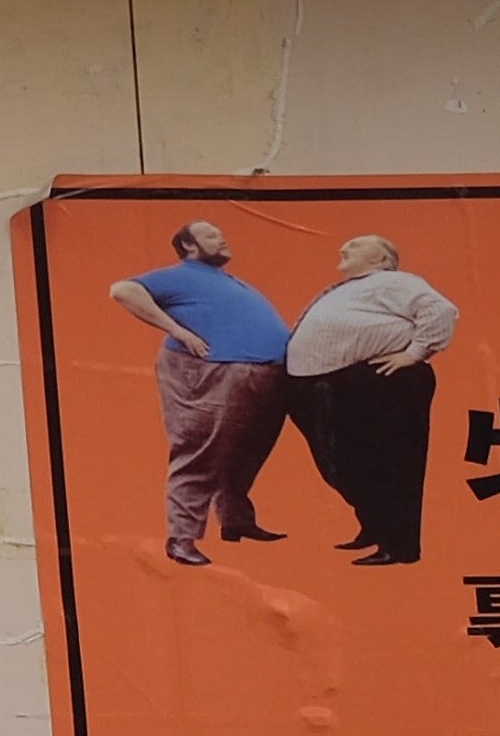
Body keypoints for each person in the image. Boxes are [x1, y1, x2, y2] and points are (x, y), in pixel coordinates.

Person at [109, 219, 297, 566]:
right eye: (212, 235)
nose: (222, 238)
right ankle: (181, 539)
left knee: (246, 451)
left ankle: (236, 520)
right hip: (215, 372)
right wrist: (178, 331)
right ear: (189, 247)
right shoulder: (179, 274)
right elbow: (122, 290)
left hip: (265, 375)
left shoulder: (227, 281)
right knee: (199, 452)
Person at [284, 235, 457, 566]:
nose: (343, 248)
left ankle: (399, 546)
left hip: (381, 381)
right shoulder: (351, 288)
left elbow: (440, 310)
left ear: (382, 260)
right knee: (344, 463)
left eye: (356, 245)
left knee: (390, 463)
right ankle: (376, 528)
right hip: (333, 383)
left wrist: (414, 353)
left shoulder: (393, 280)